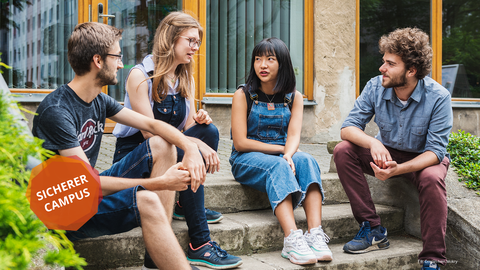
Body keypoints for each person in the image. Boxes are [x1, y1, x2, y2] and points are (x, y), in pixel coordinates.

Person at [32, 22, 207, 270]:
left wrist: (189, 148)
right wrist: (160, 183)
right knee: (147, 200)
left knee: (162, 145)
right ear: (98, 60)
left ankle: (158, 259)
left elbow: (152, 125)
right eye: (117, 56)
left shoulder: (98, 99)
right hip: (62, 207)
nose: (122, 64)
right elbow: (87, 184)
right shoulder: (57, 111)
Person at [112, 12, 241, 270]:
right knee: (179, 144)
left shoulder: (185, 77)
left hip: (172, 148)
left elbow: (189, 126)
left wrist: (199, 121)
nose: (196, 47)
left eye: (198, 43)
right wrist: (193, 145)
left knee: (209, 132)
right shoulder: (140, 75)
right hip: (138, 156)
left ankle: (182, 201)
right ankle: (200, 243)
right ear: (171, 38)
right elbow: (151, 134)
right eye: (191, 41)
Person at [333, 27, 452, 270]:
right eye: (383, 61)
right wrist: (373, 142)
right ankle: (373, 229)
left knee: (431, 178)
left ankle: (432, 257)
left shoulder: (438, 97)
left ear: (411, 70)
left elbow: (435, 153)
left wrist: (399, 170)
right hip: (387, 152)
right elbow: (348, 129)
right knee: (343, 150)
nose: (382, 68)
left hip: (423, 159)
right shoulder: (375, 86)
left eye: (390, 63)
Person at [229, 37, 332, 265]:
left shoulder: (294, 97)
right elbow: (240, 143)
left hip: (280, 153)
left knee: (307, 161)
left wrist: (289, 153)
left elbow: (294, 136)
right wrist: (281, 152)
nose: (262, 65)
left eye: (269, 59)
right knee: (279, 164)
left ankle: (315, 234)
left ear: (282, 63)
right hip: (246, 159)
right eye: (258, 59)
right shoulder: (243, 94)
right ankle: (291, 238)